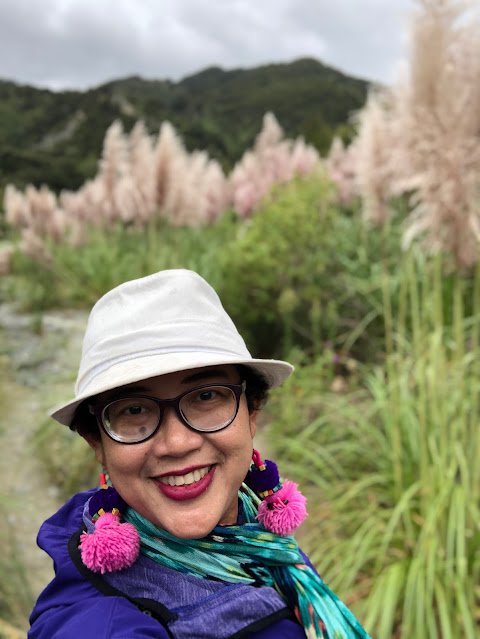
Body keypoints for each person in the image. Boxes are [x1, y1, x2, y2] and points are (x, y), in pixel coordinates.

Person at [29, 269, 371, 639]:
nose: (177, 443)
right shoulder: (102, 625)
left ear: (252, 411)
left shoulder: (257, 532)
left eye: (206, 396)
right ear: (97, 442)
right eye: (134, 410)